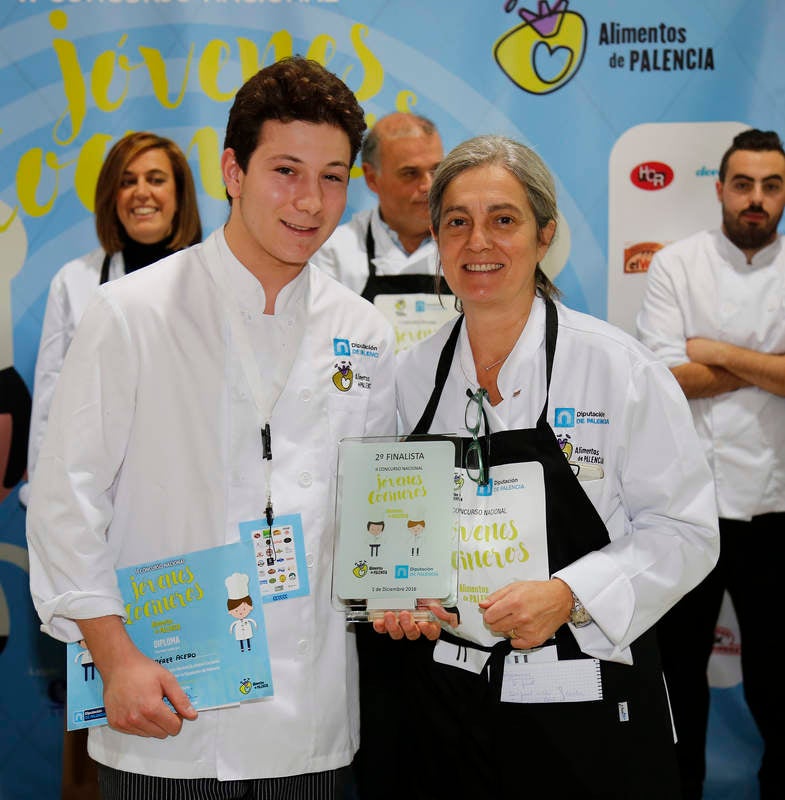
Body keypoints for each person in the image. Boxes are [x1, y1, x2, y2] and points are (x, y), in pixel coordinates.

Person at [26, 56, 396, 799]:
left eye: (332, 177)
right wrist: (115, 657)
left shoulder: (363, 331)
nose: (310, 201)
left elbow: (376, 512)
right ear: (233, 170)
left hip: (310, 729)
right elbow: (66, 498)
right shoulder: (131, 312)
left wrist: (403, 584)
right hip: (166, 711)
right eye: (285, 171)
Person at [369, 134, 719, 799]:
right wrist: (396, 589)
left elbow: (686, 531)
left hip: (583, 699)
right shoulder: (410, 377)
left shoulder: (617, 368)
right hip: (444, 702)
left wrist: (570, 595)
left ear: (544, 234)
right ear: (436, 238)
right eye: (457, 222)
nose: (478, 242)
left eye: (503, 219)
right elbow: (391, 528)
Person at [636, 128, 785, 800]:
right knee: (677, 673)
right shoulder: (676, 265)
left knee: (777, 678)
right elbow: (665, 378)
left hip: (774, 509)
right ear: (720, 188)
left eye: (771, 186)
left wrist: (715, 351)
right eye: (743, 184)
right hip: (689, 509)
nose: (756, 198)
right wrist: (767, 368)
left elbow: (693, 365)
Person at [19, 131, 202, 508]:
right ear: (111, 197)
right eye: (127, 181)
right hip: (101, 495)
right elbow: (50, 404)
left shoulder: (213, 282)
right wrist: (43, 496)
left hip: (193, 489)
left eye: (156, 179)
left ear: (179, 195)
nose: (141, 192)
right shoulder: (74, 282)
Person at [311, 111, 457, 351]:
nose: (428, 186)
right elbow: (321, 347)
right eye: (410, 173)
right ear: (371, 178)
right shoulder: (333, 253)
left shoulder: (469, 246)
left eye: (435, 170)